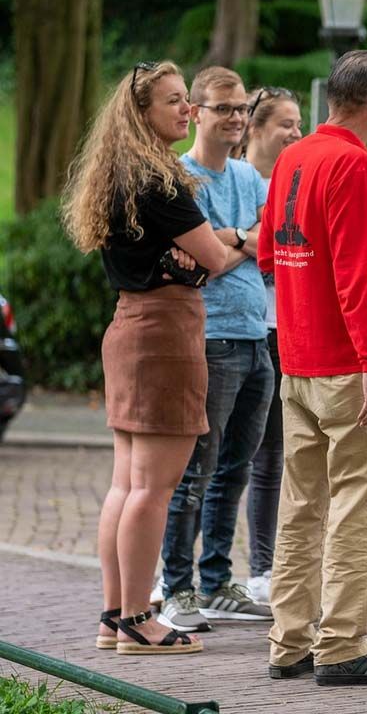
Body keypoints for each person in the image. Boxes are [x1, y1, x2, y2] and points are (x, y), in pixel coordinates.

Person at [257, 50, 367, 685]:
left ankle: (288, 640)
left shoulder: (294, 156)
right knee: (358, 508)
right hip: (347, 367)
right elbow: (355, 278)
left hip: (296, 361)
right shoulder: (352, 164)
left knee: (299, 509)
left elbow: (274, 254)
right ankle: (344, 646)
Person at [62, 60, 229, 655]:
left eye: (187, 100)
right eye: (174, 102)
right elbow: (210, 257)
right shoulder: (161, 182)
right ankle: (139, 619)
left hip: (130, 327)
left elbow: (194, 257)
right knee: (152, 490)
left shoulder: (120, 176)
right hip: (165, 337)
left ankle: (115, 615)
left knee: (126, 484)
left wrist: (202, 253)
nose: (187, 110)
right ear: (142, 114)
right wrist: (235, 240)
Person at [155, 67, 275, 631]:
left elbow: (269, 239)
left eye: (241, 109)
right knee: (194, 471)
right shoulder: (180, 178)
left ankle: (218, 579)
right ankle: (177, 588)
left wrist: (231, 240)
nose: (235, 118)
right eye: (223, 108)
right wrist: (236, 241)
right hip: (210, 337)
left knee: (237, 469)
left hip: (257, 337)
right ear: (197, 112)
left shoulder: (250, 177)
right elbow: (206, 258)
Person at [232, 86, 303, 603]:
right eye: (286, 123)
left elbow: (284, 246)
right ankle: (188, 574)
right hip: (233, 329)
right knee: (217, 457)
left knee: (271, 455)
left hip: (281, 328)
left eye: (299, 123)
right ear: (255, 128)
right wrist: (249, 238)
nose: (296, 133)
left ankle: (262, 568)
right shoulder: (239, 183)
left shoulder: (291, 184)